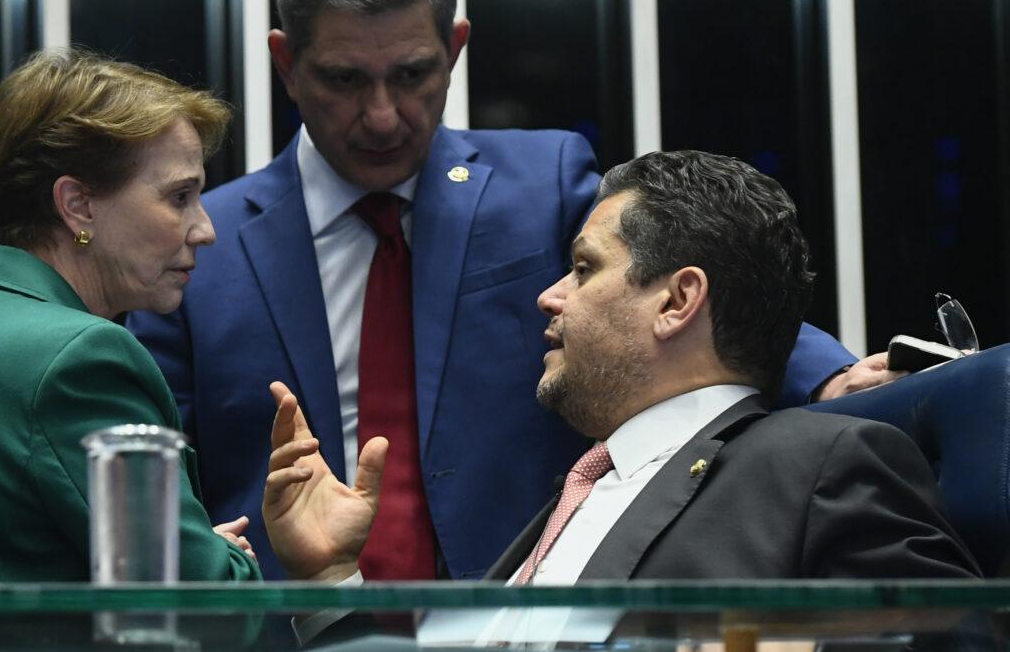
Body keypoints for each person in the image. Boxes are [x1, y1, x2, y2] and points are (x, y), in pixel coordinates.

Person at [127, 0, 872, 582]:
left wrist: (826, 377)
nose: (383, 115)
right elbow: (155, 475)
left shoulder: (540, 184)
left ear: (454, 49)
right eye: (345, 80)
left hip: (518, 622)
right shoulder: (203, 245)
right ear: (287, 64)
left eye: (412, 75)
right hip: (296, 633)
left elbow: (674, 277)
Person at [263, 150, 979, 586]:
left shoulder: (824, 463)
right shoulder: (573, 496)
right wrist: (331, 580)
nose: (550, 297)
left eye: (583, 268)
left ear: (677, 300)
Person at [0, 48, 370, 583]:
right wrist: (243, 563)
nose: (205, 229)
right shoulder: (80, 359)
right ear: (78, 206)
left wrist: (198, 550)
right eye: (179, 197)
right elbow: (203, 610)